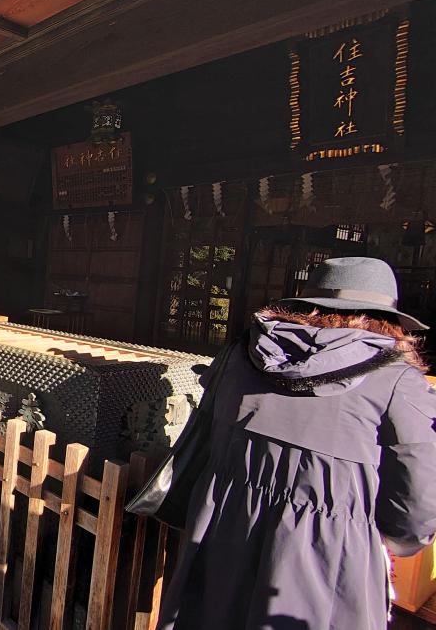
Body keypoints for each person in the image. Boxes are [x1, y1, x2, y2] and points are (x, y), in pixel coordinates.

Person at [158, 256, 436, 630]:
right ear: (386, 319)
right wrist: (393, 537)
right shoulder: (397, 381)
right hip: (326, 548)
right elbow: (418, 499)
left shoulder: (238, 355)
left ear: (303, 306)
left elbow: (204, 437)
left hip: (222, 528)